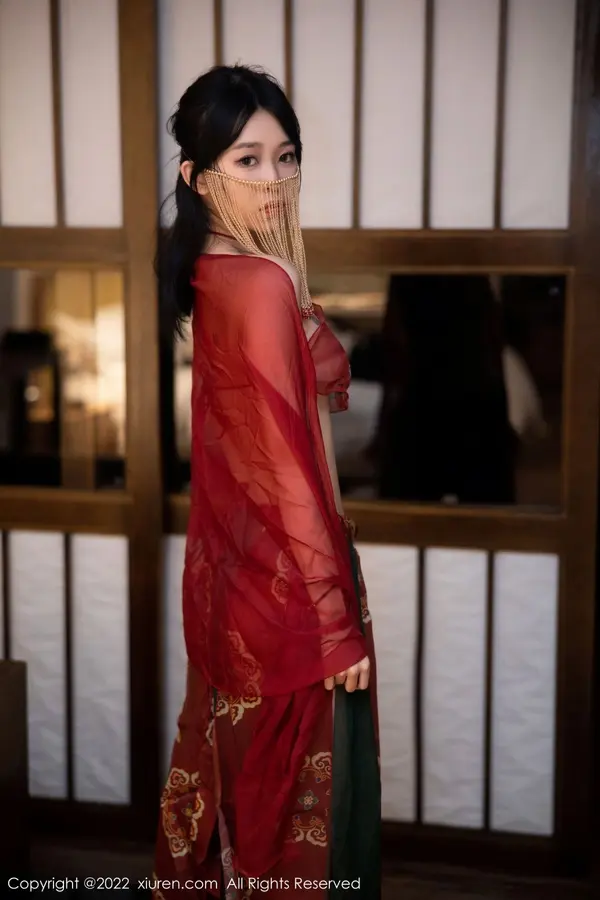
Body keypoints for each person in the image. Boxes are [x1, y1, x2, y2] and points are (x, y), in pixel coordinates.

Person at [153, 65, 381, 900]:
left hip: (238, 579)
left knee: (244, 806)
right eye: (247, 160)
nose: (275, 179)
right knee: (299, 826)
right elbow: (287, 466)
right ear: (196, 177)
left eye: (286, 157)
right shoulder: (261, 280)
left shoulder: (215, 270)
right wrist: (335, 620)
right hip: (291, 591)